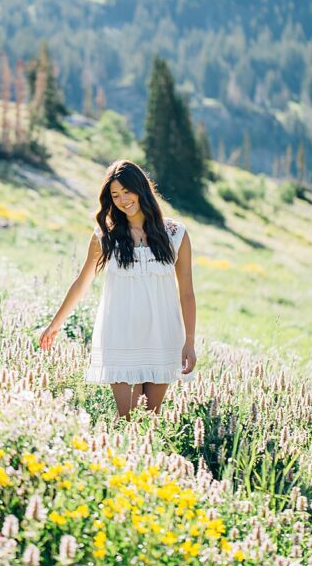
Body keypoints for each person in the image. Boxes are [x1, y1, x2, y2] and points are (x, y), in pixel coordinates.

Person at [39, 159, 197, 419]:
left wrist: (189, 342)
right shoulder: (105, 236)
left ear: (141, 189)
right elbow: (82, 281)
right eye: (115, 195)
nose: (123, 200)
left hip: (163, 336)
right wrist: (56, 324)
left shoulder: (176, 234)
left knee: (151, 419)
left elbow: (187, 293)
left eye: (127, 191)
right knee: (127, 418)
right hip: (121, 337)